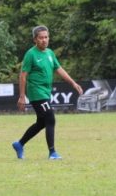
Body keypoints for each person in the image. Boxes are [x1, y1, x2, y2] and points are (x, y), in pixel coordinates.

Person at [11, 25, 83, 160]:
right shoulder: (30, 54)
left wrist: (73, 83)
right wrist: (22, 96)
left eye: (46, 37)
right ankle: (52, 153)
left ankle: (19, 144)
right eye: (41, 38)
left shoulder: (50, 53)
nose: (44, 40)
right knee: (50, 118)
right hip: (36, 92)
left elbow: (59, 69)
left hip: (46, 92)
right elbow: (23, 76)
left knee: (42, 123)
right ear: (35, 40)